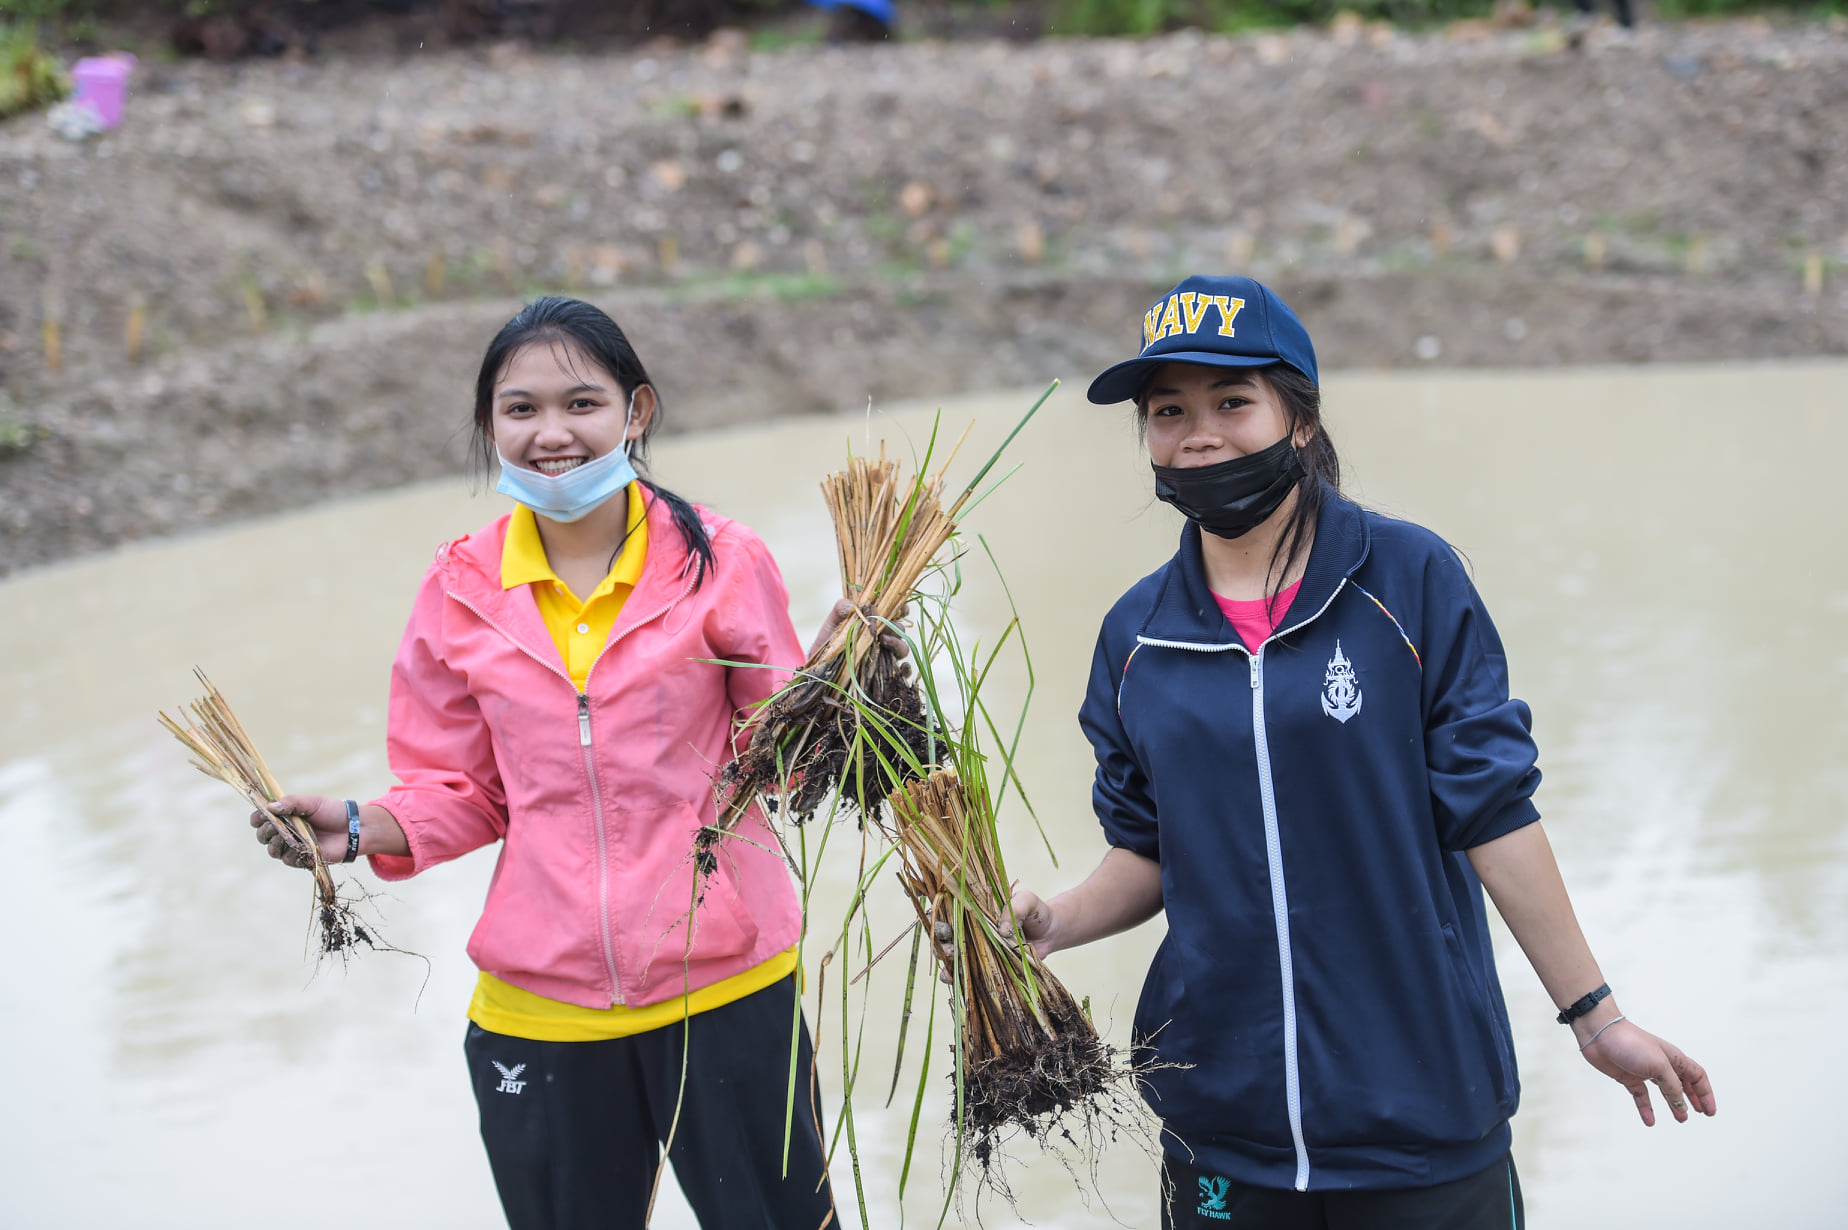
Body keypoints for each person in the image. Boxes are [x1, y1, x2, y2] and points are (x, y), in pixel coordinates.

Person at [1004, 275, 1715, 1228]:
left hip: (1421, 1116)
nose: (1199, 435)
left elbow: (1495, 815)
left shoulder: (1409, 580)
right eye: (1168, 412)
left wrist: (1596, 1016)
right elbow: (1151, 852)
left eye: (1232, 402)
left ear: (1300, 419)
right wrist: (1054, 920)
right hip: (1222, 1129)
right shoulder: (1137, 635)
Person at [249, 296, 845, 1230]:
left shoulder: (723, 563)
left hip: (723, 985)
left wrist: (837, 689)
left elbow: (782, 763)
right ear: (490, 425)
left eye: (582, 403)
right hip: (539, 1003)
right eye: (520, 409)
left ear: (637, 411)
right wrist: (361, 826)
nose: (551, 434)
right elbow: (462, 791)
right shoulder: (459, 588)